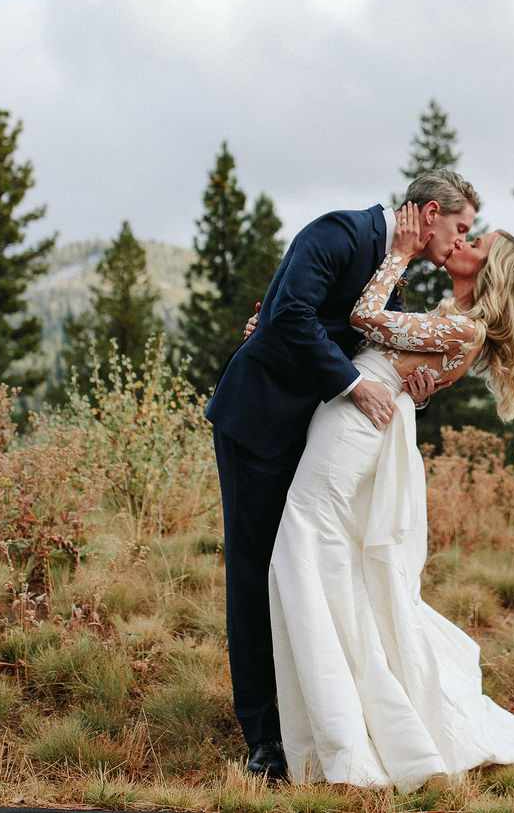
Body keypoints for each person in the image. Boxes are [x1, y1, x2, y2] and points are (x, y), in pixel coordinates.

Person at [204, 170, 480, 780]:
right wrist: (352, 383)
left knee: (306, 570)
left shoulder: (395, 277)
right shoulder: (338, 233)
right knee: (256, 575)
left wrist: (418, 385)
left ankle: (314, 713)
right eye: (460, 228)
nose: (462, 241)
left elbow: (371, 342)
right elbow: (293, 316)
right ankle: (263, 737)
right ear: (430, 212)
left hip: (313, 436)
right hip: (258, 424)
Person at [268, 200, 514, 792]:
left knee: (303, 550)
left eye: (479, 242)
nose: (465, 243)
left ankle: (342, 744)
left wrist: (396, 255)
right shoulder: (456, 320)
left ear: (491, 271)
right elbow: (399, 368)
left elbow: (366, 318)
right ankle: (345, 731)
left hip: (353, 428)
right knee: (327, 563)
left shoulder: (460, 325)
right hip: (364, 421)